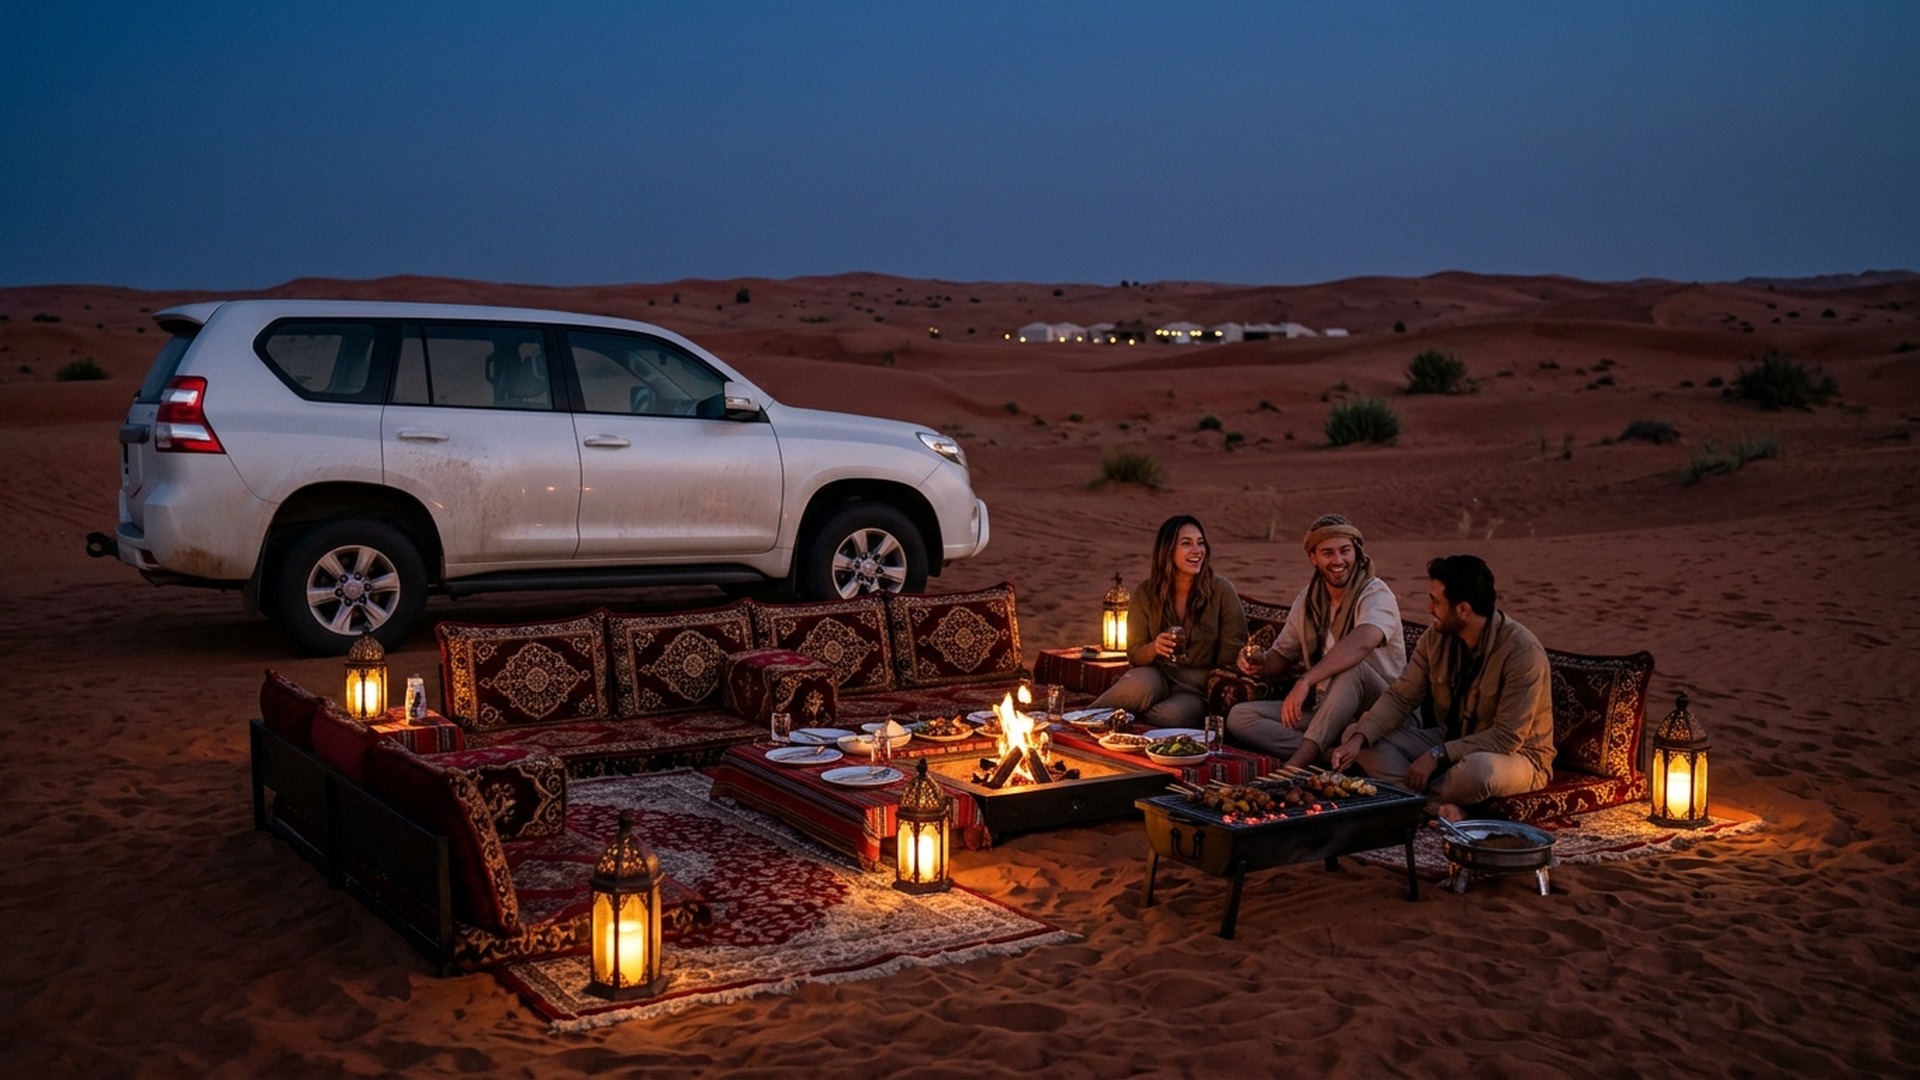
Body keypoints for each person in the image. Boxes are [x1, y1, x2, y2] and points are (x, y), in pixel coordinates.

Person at [1328, 554, 1553, 821]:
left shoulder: (1522, 652)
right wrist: (1359, 738)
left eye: (1436, 601)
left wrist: (1437, 755)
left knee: (1477, 772)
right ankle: (1437, 808)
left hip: (1515, 756)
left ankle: (1411, 799)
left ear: (1463, 610)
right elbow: (1401, 697)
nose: (1428, 607)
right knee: (1358, 737)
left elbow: (1506, 737)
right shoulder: (1435, 638)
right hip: (1450, 740)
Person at [1225, 514, 1405, 769]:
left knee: (1351, 668)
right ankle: (1331, 753)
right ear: (1314, 558)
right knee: (1240, 717)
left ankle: (1295, 766)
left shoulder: (1375, 593)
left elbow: (1362, 642)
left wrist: (1306, 681)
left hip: (1377, 707)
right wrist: (1259, 663)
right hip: (1326, 710)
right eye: (1328, 553)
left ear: (1356, 551)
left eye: (1345, 551)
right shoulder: (1308, 600)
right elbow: (1282, 656)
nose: (1338, 561)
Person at [1091, 515, 1248, 727]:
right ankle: (1079, 723)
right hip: (1158, 675)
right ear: (1168, 550)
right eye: (1186, 543)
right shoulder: (1146, 592)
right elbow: (1135, 655)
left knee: (1168, 716)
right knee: (1133, 686)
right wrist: (1154, 647)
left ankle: (1126, 726)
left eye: (1200, 543)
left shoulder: (1221, 591)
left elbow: (1231, 655)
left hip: (1195, 687)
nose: (1197, 550)